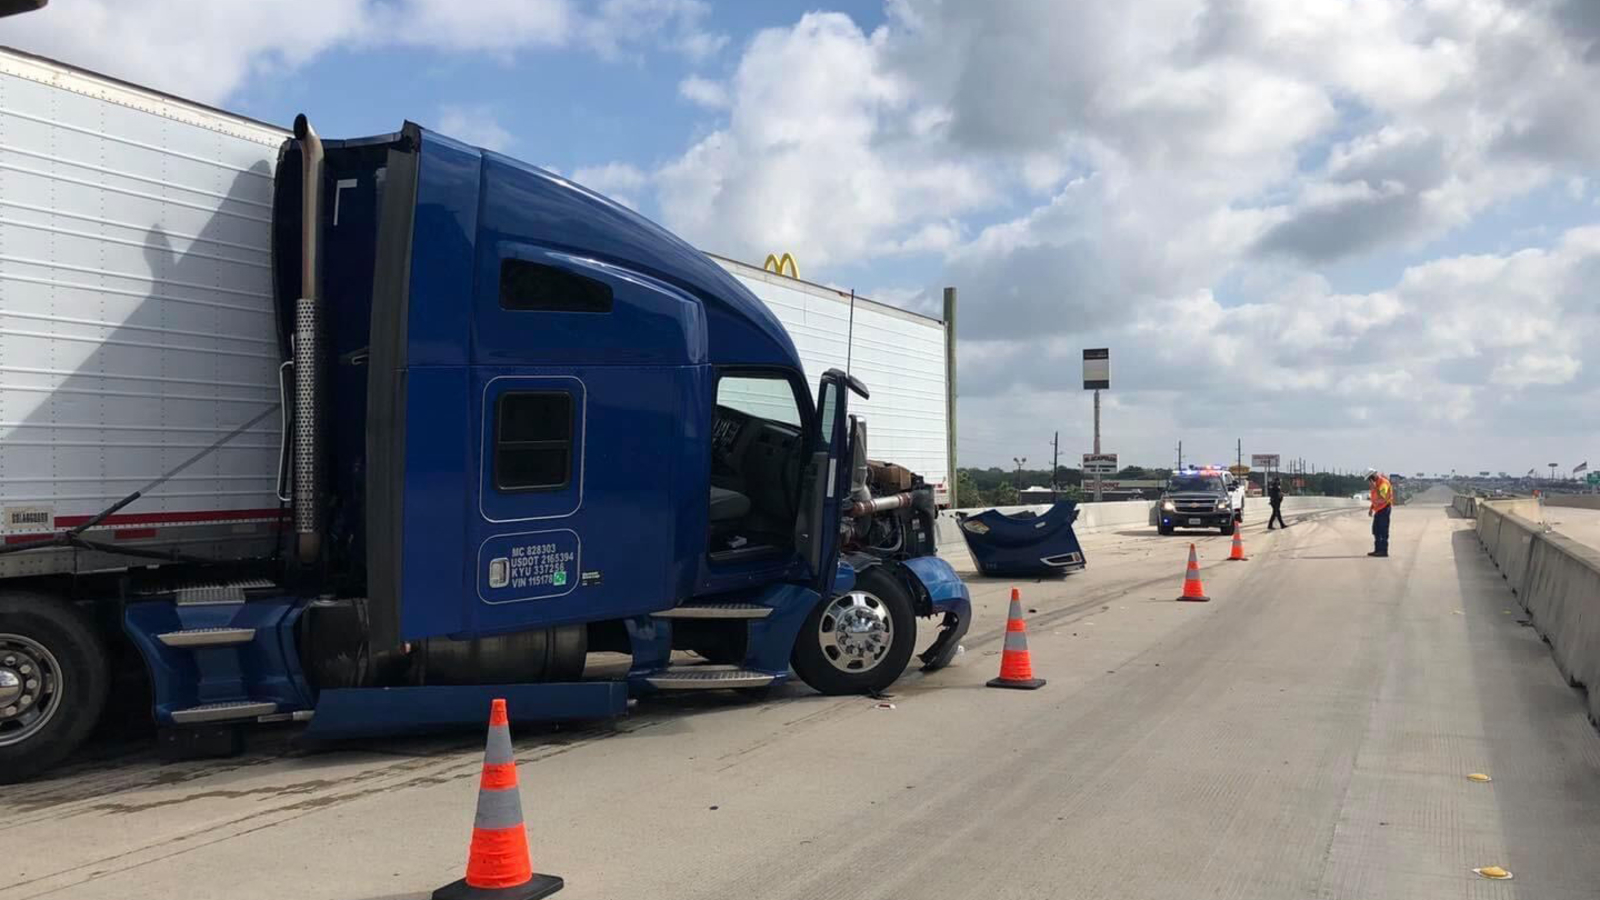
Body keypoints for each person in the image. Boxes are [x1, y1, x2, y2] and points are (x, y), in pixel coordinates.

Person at [1367, 468, 1394, 557]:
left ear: (1372, 477)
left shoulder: (1383, 483)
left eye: (1369, 479)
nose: (1368, 482)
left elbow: (1382, 498)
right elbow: (1375, 499)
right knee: (1376, 530)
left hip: (1384, 509)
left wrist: (1375, 488)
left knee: (1383, 530)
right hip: (1378, 510)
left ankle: (1383, 551)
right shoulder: (1376, 484)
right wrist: (1371, 508)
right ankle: (1377, 550)